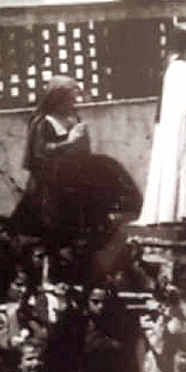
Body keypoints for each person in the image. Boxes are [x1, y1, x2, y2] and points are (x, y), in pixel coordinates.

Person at [16, 76, 141, 248]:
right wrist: (69, 141)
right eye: (69, 98)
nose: (72, 102)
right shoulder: (42, 122)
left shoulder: (73, 117)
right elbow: (40, 153)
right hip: (51, 182)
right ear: (57, 98)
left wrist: (81, 142)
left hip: (74, 174)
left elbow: (82, 149)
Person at [137, 26, 186, 226]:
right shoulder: (181, 70)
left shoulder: (174, 68)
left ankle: (171, 211)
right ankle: (175, 211)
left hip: (172, 128)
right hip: (178, 130)